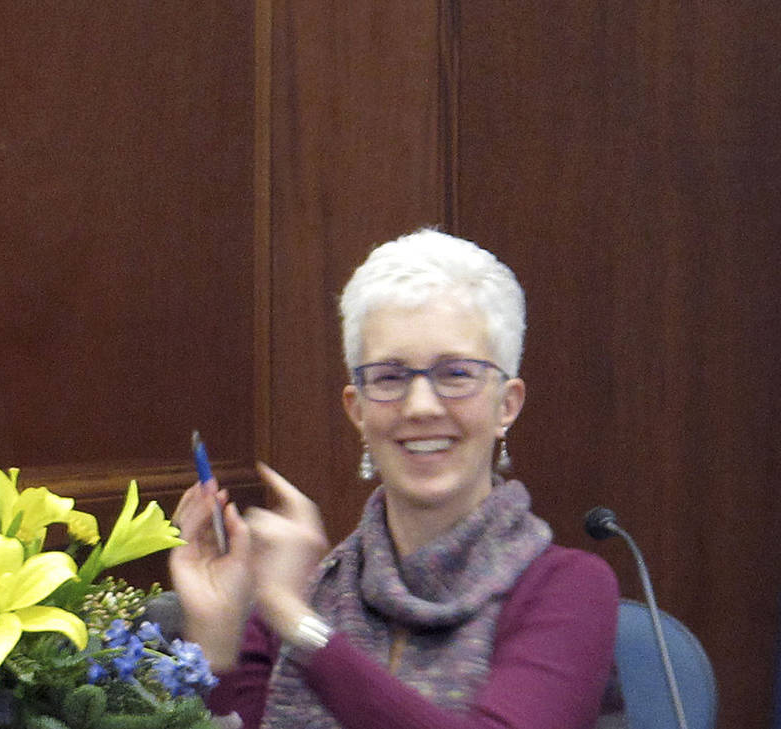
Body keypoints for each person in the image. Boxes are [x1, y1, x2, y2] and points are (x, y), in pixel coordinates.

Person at [170, 229, 618, 729]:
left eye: (456, 374)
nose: (421, 406)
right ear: (357, 409)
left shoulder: (568, 588)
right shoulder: (303, 590)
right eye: (389, 377)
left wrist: (301, 628)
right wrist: (215, 635)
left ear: (506, 405)